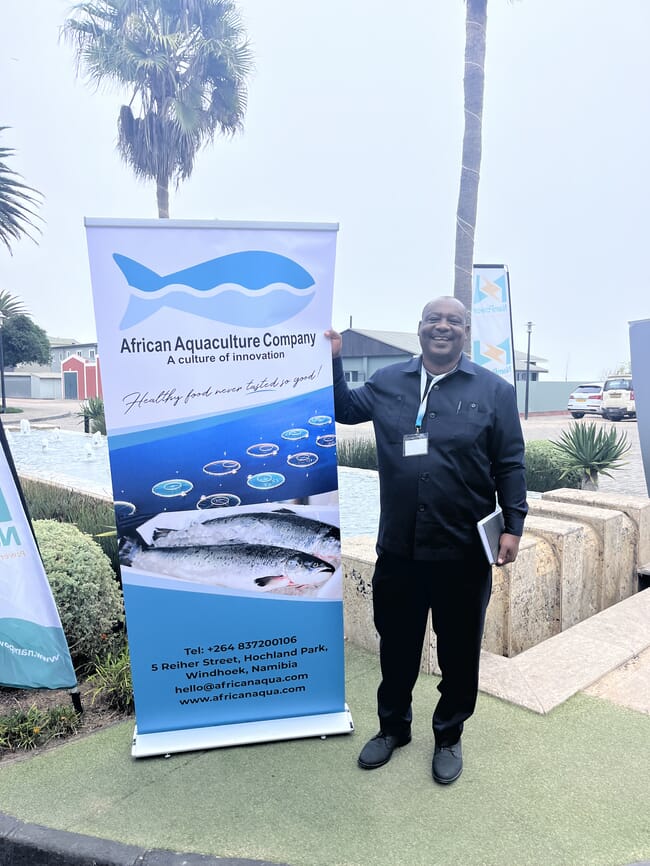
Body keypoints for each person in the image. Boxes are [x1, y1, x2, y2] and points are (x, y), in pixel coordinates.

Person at [326, 296, 527, 784]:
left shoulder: (494, 390)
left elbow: (510, 462)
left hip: (462, 550)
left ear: (466, 331)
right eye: (434, 320)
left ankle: (449, 735)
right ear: (419, 329)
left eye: (453, 321)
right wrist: (332, 361)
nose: (443, 327)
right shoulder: (388, 381)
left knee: (459, 651)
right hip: (399, 548)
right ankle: (393, 729)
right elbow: (344, 409)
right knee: (396, 645)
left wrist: (514, 525)